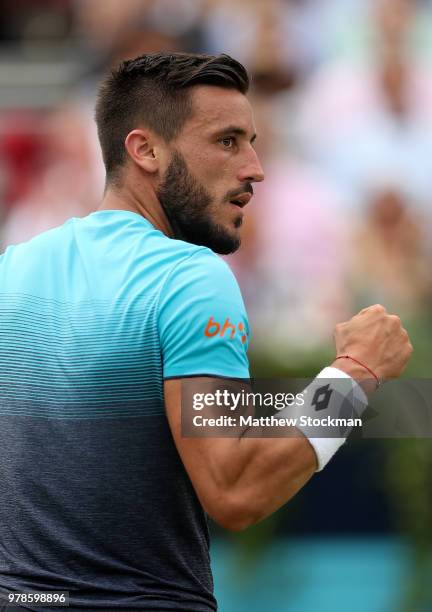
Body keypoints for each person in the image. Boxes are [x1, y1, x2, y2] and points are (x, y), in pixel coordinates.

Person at [0, 52, 412, 611]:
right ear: (145, 150)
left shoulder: (13, 267)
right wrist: (354, 374)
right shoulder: (188, 277)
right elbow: (236, 490)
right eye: (227, 141)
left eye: (252, 141)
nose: (255, 167)